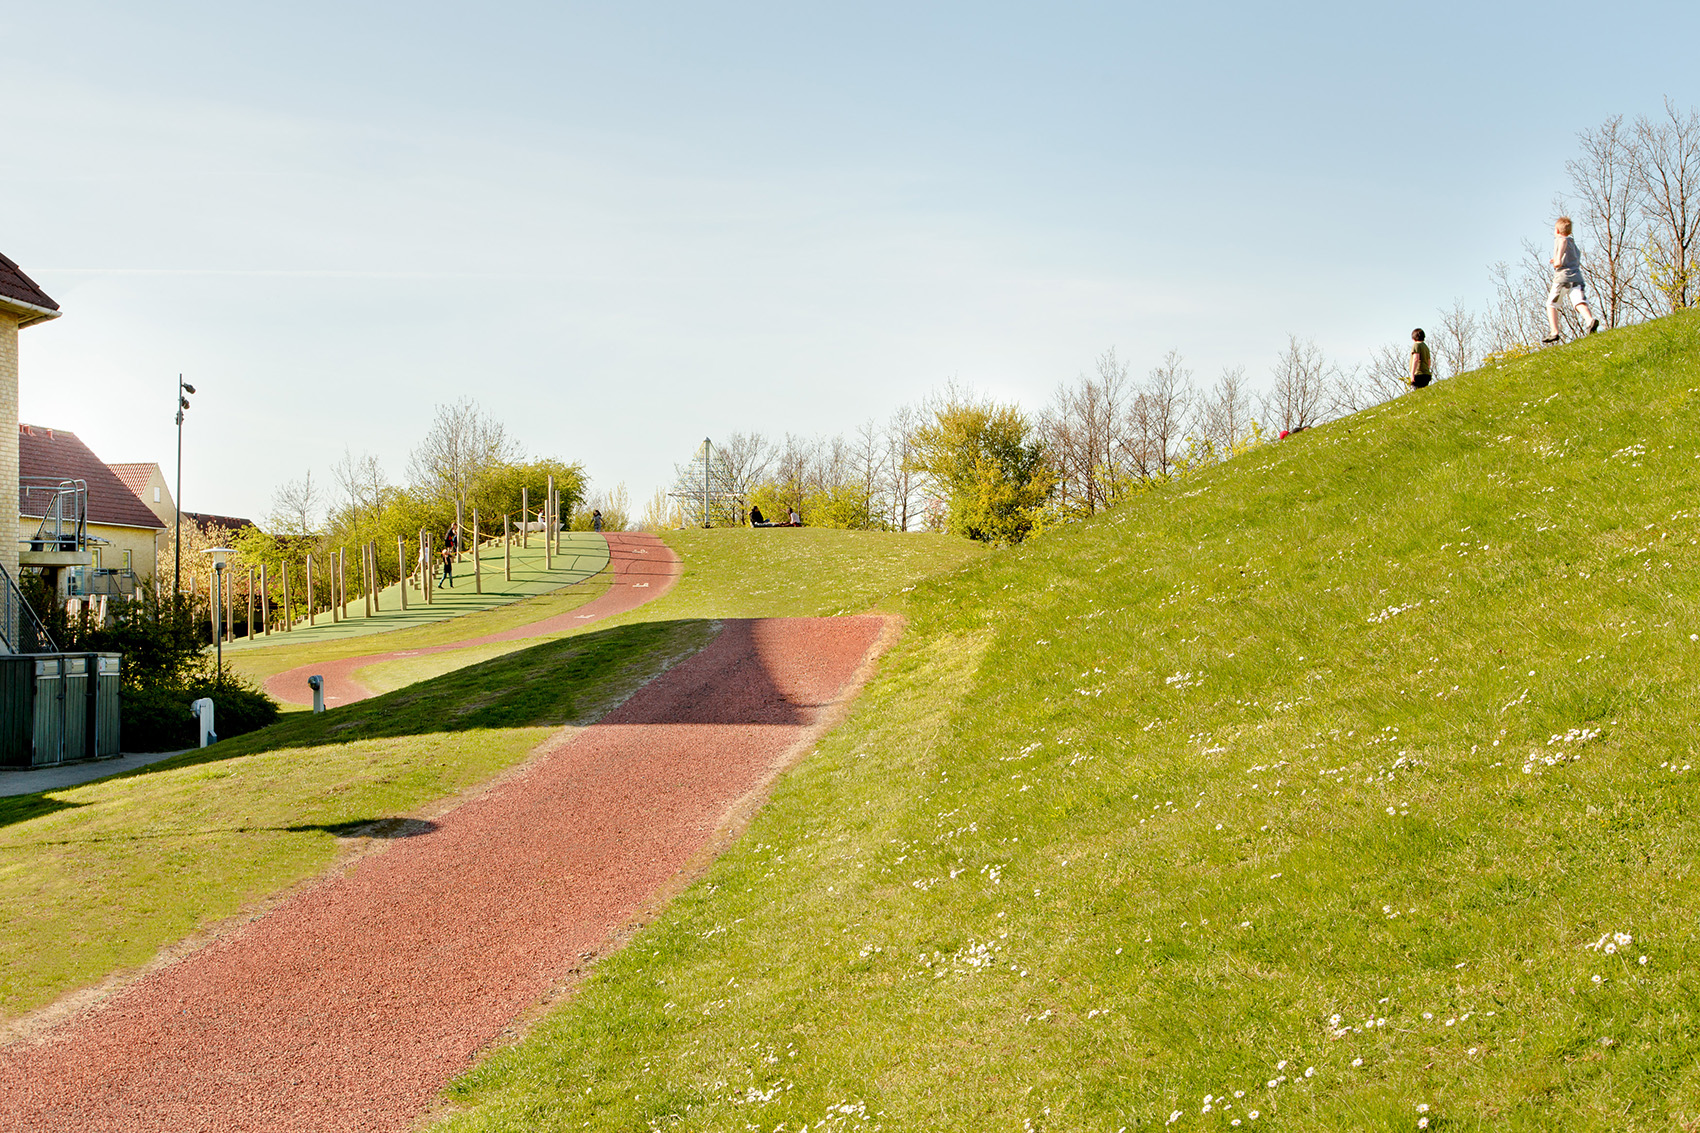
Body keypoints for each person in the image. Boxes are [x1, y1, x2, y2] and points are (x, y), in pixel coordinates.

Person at [1544, 216, 1600, 344]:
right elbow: (1570, 257)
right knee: (1578, 302)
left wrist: (1557, 260)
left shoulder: (1560, 239)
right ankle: (1590, 320)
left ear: (1557, 230)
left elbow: (1562, 243)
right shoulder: (1572, 244)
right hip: (1577, 278)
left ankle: (1554, 332)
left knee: (1551, 304)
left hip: (1563, 278)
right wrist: (1558, 259)